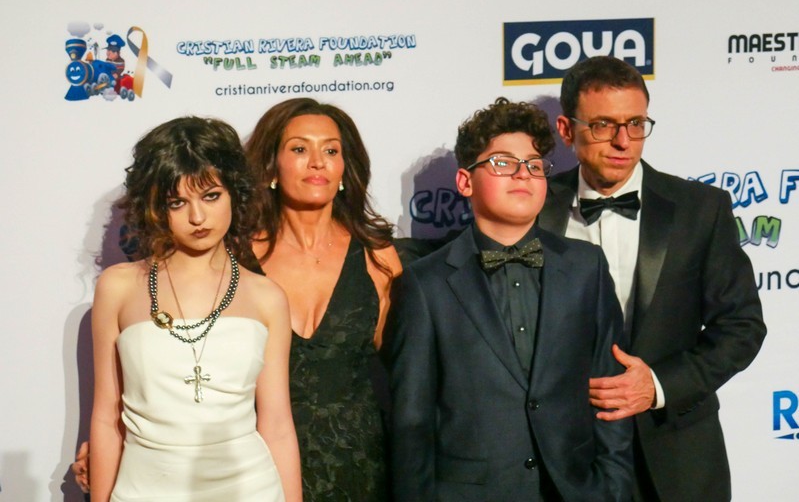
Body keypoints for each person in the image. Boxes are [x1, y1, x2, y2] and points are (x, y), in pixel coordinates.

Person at [537, 55, 767, 501]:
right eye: (603, 125)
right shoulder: (534, 207)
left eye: (636, 124)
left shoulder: (701, 209)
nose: (623, 141)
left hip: (676, 455)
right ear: (566, 130)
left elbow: (742, 327)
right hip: (563, 457)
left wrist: (658, 385)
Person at [382, 98, 633, 501]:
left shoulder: (586, 267)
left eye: (534, 165)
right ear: (465, 182)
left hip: (575, 490)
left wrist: (613, 488)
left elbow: (611, 393)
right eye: (502, 162)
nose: (522, 174)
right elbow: (413, 421)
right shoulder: (427, 284)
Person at [88, 117, 302, 502]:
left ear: (234, 193)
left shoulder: (267, 296)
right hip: (144, 492)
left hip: (250, 491)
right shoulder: (118, 287)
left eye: (211, 196)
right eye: (177, 202)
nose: (197, 217)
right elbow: (106, 418)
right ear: (156, 207)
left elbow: (278, 425)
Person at [245, 98, 402, 501]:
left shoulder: (377, 257)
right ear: (271, 167)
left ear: (345, 169)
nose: (318, 162)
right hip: (258, 465)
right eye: (299, 149)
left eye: (331, 151)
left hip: (363, 469)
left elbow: (408, 373)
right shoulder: (237, 261)